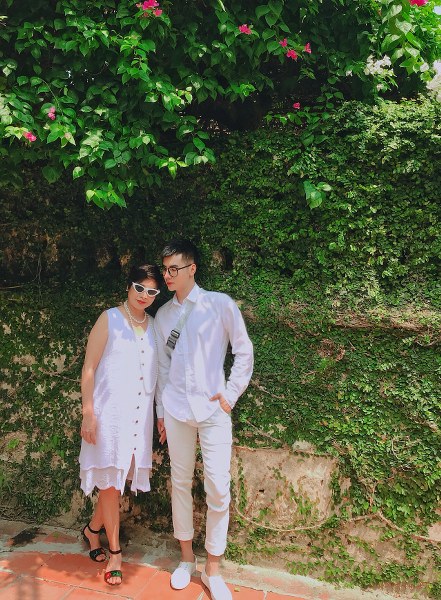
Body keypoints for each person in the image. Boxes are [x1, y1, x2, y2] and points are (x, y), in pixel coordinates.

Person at [154, 239, 253, 600]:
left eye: (174, 269)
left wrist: (230, 394)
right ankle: (186, 559)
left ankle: (212, 570)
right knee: (179, 482)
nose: (167, 275)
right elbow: (162, 367)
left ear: (191, 269)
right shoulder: (163, 316)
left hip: (213, 411)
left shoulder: (219, 304)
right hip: (176, 410)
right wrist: (161, 412)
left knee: (218, 487)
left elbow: (243, 350)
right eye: (165, 269)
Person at [78, 264, 161, 586]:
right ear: (129, 286)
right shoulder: (109, 318)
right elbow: (89, 367)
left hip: (139, 418)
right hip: (108, 416)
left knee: (115, 482)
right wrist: (88, 412)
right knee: (110, 485)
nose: (144, 295)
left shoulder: (155, 326)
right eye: (139, 287)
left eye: (151, 291)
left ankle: (91, 531)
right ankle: (115, 552)